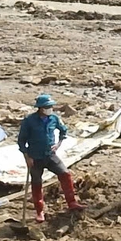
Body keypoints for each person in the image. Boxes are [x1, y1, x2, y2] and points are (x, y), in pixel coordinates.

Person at [16, 93, 82, 221]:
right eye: (47, 107)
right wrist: (27, 157)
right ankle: (39, 211)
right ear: (40, 108)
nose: (50, 109)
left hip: (50, 155)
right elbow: (21, 141)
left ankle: (72, 202)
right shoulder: (29, 121)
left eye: (51, 106)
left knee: (65, 174)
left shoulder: (54, 118)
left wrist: (58, 144)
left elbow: (63, 130)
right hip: (35, 157)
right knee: (36, 183)